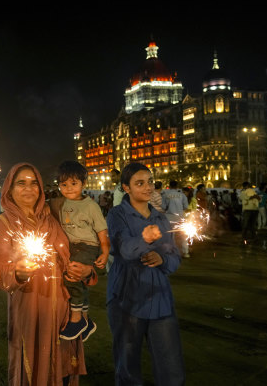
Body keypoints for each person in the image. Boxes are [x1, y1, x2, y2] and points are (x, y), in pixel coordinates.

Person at [0, 162, 96, 386]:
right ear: (9, 189)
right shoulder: (4, 223)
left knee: (64, 371)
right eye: (21, 183)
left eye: (33, 183)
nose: (28, 188)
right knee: (35, 370)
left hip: (64, 309)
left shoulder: (52, 217)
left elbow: (77, 251)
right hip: (31, 308)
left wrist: (87, 271)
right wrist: (16, 272)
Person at [107, 162, 185, 386]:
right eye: (139, 183)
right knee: (128, 365)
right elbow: (123, 249)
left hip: (160, 298)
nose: (147, 187)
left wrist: (163, 259)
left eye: (150, 181)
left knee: (171, 367)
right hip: (127, 298)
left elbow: (174, 257)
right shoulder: (117, 215)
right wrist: (146, 240)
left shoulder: (160, 218)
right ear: (126, 188)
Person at [49, 160, 109, 342]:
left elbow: (101, 231)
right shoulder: (60, 203)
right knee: (81, 282)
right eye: (64, 184)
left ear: (83, 183)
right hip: (70, 246)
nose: (68, 188)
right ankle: (85, 320)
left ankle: (76, 319)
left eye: (74, 184)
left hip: (86, 246)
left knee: (73, 275)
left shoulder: (91, 206)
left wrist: (105, 252)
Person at [162, 180, 190, 258]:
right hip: (180, 217)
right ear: (177, 187)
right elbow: (186, 207)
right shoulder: (182, 195)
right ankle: (186, 252)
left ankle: (171, 252)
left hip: (169, 218)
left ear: (169, 186)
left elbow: (163, 207)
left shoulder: (165, 195)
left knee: (171, 236)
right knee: (184, 235)